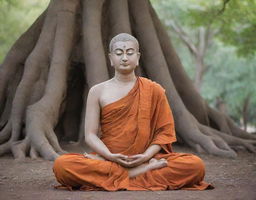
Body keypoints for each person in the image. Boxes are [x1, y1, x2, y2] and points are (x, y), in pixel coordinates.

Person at [53, 33, 213, 191]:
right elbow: (90, 135)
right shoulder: (97, 91)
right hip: (109, 158)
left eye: (129, 53)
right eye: (119, 53)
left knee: (195, 166)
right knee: (62, 165)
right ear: (110, 58)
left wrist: (145, 157)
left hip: (146, 158)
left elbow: (164, 133)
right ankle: (134, 173)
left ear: (137, 57)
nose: (124, 58)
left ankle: (125, 174)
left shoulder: (154, 90)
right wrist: (109, 156)